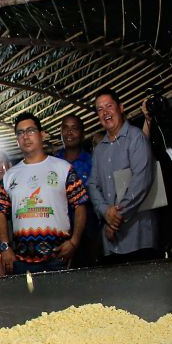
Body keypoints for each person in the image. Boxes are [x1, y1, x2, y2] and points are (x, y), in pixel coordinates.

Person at [0, 113, 89, 275]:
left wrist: (74, 242)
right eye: (20, 133)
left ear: (42, 134)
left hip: (58, 259)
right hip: (22, 262)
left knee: (63, 301)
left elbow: (80, 204)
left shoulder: (63, 168)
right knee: (27, 301)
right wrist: (5, 247)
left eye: (30, 130)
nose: (25, 136)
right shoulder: (10, 175)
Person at [87, 89, 159, 263]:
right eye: (100, 109)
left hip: (139, 237)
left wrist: (115, 220)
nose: (105, 112)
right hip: (111, 243)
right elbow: (92, 185)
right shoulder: (99, 150)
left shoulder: (136, 138)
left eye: (109, 106)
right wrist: (105, 211)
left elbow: (141, 183)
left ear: (121, 107)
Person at [54, 114, 101, 267]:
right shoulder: (53, 162)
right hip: (60, 234)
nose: (69, 132)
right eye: (65, 128)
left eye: (74, 128)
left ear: (82, 133)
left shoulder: (92, 161)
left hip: (89, 232)